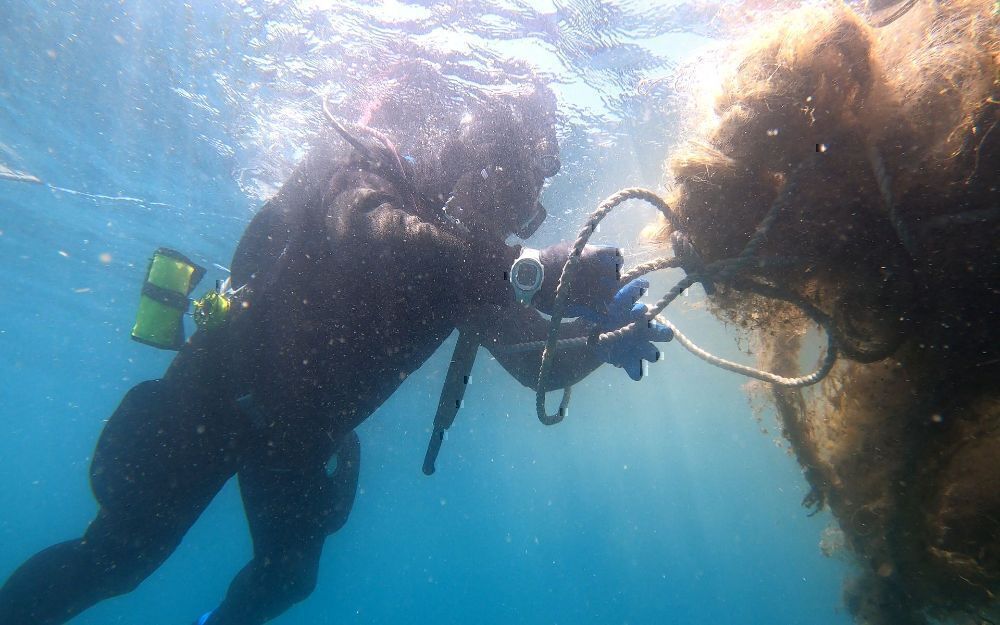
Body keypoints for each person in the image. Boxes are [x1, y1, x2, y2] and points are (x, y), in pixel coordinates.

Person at [0, 63, 672, 625]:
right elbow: (367, 232)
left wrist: (601, 341)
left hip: (300, 439)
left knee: (286, 579)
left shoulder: (466, 258)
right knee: (117, 558)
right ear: (476, 160)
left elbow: (533, 362)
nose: (507, 218)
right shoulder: (364, 163)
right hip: (220, 389)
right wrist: (524, 269)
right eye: (507, 192)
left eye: (522, 210)